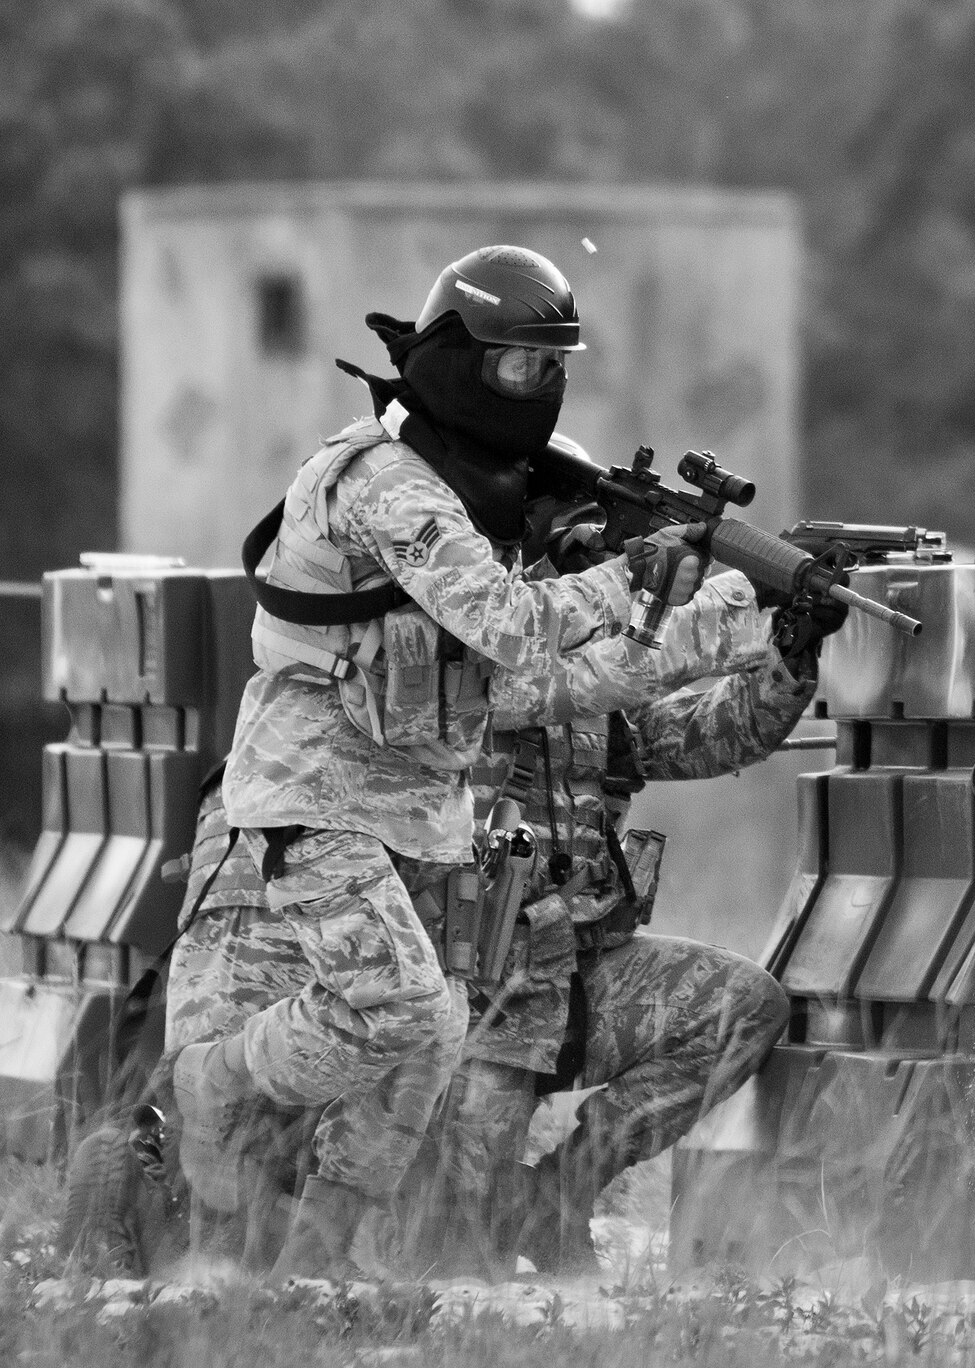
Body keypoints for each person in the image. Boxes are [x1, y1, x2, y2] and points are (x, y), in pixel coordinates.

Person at [174, 244, 709, 1279]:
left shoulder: (476, 493)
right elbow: (509, 626)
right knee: (407, 1010)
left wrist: (652, 590)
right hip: (312, 794)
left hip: (413, 809)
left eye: (551, 370)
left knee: (432, 1031)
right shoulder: (389, 486)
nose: (535, 390)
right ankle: (211, 1085)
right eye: (514, 367)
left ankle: (320, 1270)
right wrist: (625, 570)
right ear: (458, 357)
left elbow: (522, 680)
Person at [402, 483, 841, 1280]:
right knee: (462, 1247)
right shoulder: (469, 660)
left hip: (576, 975)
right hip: (471, 991)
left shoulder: (597, 693)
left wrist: (790, 653)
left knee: (741, 1006)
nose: (607, 571)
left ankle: (562, 1194)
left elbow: (706, 735)